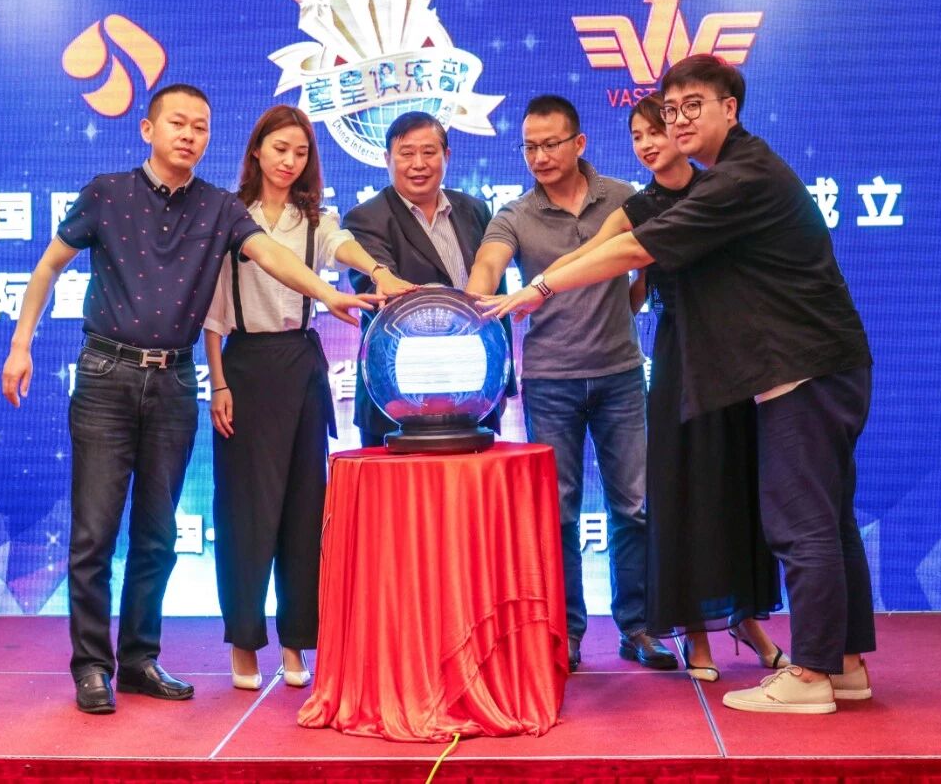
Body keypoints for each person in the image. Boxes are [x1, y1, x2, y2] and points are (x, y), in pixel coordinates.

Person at [483, 56, 875, 714]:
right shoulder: (729, 174)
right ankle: (847, 664)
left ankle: (810, 674)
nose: (679, 121)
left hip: (805, 368)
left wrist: (540, 286)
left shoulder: (740, 180)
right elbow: (618, 241)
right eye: (670, 110)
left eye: (694, 106)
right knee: (827, 520)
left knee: (801, 521)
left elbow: (634, 250)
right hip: (812, 364)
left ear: (730, 108)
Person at [1, 85, 375, 715]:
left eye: (201, 127)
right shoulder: (106, 194)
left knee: (157, 535)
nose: (189, 135)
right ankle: (91, 665)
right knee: (94, 534)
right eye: (178, 123)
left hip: (174, 381)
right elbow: (48, 267)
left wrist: (327, 293)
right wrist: (20, 345)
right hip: (107, 375)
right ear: (148, 129)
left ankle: (139, 659)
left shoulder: (218, 207)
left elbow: (271, 254)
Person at [536, 93, 786, 682]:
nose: (648, 144)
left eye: (657, 130)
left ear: (683, 131)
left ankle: (746, 620)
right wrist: (533, 291)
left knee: (734, 492)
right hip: (678, 359)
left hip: (733, 358)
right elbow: (596, 260)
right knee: (676, 498)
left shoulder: (722, 188)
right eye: (637, 136)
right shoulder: (637, 206)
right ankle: (694, 632)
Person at [202, 105, 412, 691]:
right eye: (280, 149)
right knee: (246, 514)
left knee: (303, 511)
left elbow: (343, 246)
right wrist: (218, 384)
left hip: (300, 364)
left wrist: (379, 272)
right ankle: (244, 644)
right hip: (245, 367)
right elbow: (213, 316)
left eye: (300, 152)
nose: (289, 161)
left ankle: (296, 643)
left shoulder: (315, 218)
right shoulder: (228, 215)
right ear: (257, 150)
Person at [466, 95, 676, 674]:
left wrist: (631, 302)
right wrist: (477, 295)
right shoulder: (515, 213)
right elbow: (489, 263)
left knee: (635, 504)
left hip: (620, 375)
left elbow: (645, 264)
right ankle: (567, 633)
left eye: (550, 144)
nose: (539, 156)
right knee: (558, 512)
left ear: (579, 143)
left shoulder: (624, 197)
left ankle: (638, 627)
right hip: (551, 380)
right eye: (529, 147)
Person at [342, 111, 513, 448]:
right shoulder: (365, 219)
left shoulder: (476, 211)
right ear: (387, 159)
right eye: (406, 153)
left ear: (446, 156)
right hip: (399, 397)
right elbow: (379, 292)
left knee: (471, 483)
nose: (418, 164)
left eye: (429, 152)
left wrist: (502, 384)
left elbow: (496, 299)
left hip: (473, 388)